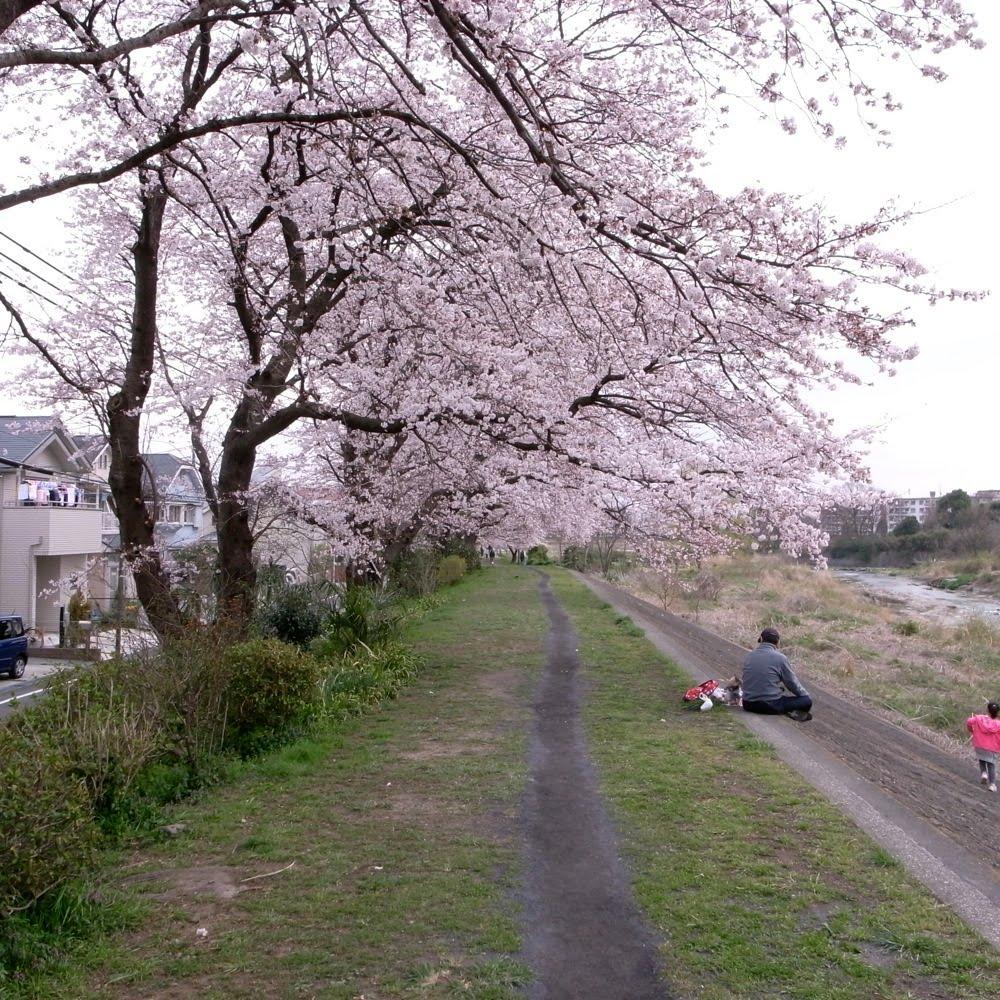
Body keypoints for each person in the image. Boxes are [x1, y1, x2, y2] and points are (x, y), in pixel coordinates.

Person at [740, 628, 812, 722]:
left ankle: (787, 709)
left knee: (779, 691)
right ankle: (791, 711)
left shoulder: (749, 655)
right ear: (777, 642)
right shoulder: (781, 658)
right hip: (769, 705)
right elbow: (792, 683)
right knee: (806, 701)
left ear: (760, 639)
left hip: (747, 704)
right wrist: (804, 696)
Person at [966, 701, 1000, 792]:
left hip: (979, 744)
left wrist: (971, 730)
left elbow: (969, 721)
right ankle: (992, 784)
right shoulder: (998, 724)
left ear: (987, 710)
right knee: (991, 764)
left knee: (982, 759)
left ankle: (984, 773)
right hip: (993, 747)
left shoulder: (979, 718)